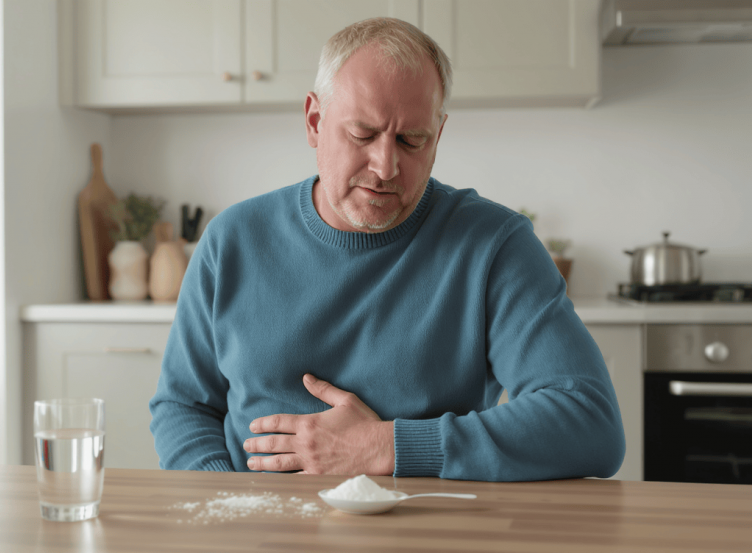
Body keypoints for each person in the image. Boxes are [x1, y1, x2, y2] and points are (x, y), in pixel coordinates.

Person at [148, 17, 625, 480]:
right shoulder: (232, 240)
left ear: (437, 138)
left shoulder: (493, 246)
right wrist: (228, 502)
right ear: (315, 121)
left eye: (410, 140)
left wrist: (384, 446)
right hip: (260, 527)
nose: (385, 166)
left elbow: (590, 422)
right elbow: (183, 407)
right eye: (363, 135)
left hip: (429, 528)